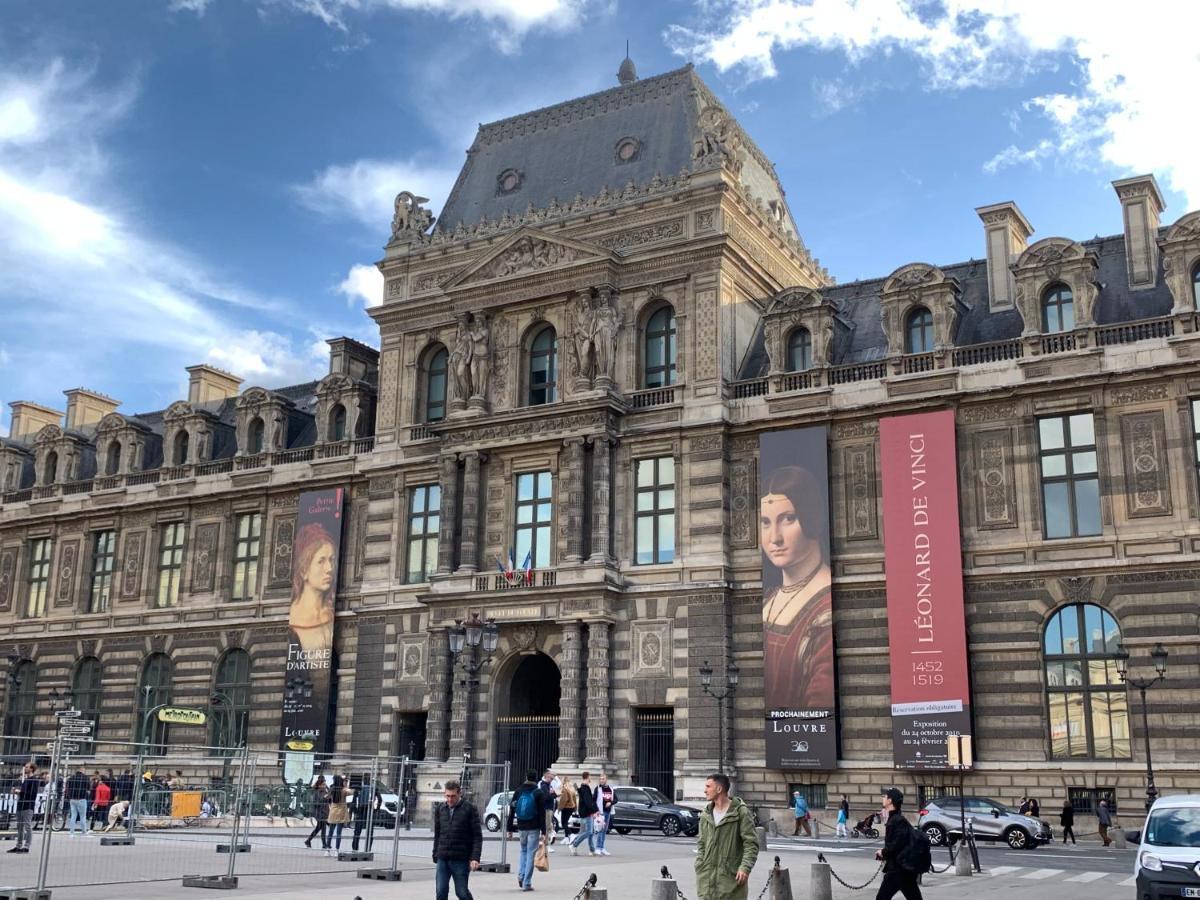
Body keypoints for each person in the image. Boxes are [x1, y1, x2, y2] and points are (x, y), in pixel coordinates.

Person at [760, 467, 834, 712]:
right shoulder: (769, 600)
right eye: (766, 522)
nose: (775, 538)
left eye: (788, 518)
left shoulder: (824, 609)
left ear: (811, 516)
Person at [695, 774, 758, 900]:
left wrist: (745, 867)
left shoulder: (741, 812)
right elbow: (701, 843)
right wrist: (700, 864)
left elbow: (751, 844)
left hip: (731, 881)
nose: (704, 790)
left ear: (719, 789)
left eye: (708, 786)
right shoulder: (705, 814)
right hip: (706, 881)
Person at [432, 779, 483, 900]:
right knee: (440, 892)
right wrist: (435, 853)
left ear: (459, 793)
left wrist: (475, 857)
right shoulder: (440, 809)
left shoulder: (469, 809)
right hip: (443, 857)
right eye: (447, 796)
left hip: (461, 858)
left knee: (462, 893)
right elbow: (438, 834)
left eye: (453, 796)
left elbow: (477, 835)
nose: (450, 799)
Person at [874, 788, 923, 900]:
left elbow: (896, 844)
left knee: (881, 898)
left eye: (885, 797)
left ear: (890, 801)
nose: (883, 798)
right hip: (901, 869)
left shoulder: (897, 820)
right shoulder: (895, 818)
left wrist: (882, 852)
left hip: (898, 869)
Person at [507, 769, 548, 892]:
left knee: (523, 851)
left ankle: (521, 875)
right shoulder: (538, 793)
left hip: (521, 826)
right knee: (531, 853)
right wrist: (544, 831)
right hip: (534, 827)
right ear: (536, 778)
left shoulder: (518, 791)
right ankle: (527, 883)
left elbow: (512, 810)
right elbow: (542, 813)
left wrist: (510, 828)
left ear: (526, 777)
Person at [9, 763, 38, 853]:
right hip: (20, 805)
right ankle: (18, 845)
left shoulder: (34, 780)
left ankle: (26, 846)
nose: (25, 768)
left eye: (27, 767)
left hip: (28, 806)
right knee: (19, 827)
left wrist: (19, 792)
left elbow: (32, 794)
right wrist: (17, 791)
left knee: (27, 826)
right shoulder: (25, 780)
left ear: (32, 769)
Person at [570, 772, 599, 856]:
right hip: (587, 812)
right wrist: (594, 811)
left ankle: (592, 849)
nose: (591, 778)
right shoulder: (585, 788)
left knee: (589, 832)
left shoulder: (583, 788)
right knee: (588, 832)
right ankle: (574, 844)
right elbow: (588, 802)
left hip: (584, 812)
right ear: (587, 777)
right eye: (590, 777)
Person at [351, 775, 381, 852]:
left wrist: (355, 810)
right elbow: (380, 799)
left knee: (357, 831)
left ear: (363, 780)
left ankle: (355, 848)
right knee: (370, 832)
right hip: (369, 810)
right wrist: (376, 809)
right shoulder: (373, 788)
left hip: (360, 810)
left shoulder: (359, 788)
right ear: (370, 780)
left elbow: (354, 801)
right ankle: (368, 849)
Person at [304, 775, 331, 851]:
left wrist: (329, 797)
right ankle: (324, 844)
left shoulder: (326, 791)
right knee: (323, 828)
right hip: (319, 813)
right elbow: (315, 803)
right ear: (319, 785)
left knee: (318, 828)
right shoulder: (316, 793)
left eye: (325, 784)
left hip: (325, 812)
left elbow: (329, 801)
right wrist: (324, 799)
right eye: (323, 784)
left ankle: (308, 841)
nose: (324, 786)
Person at [327, 774, 350, 855]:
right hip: (341, 812)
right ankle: (337, 850)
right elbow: (351, 791)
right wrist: (346, 785)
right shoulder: (343, 790)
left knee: (330, 831)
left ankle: (328, 849)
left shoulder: (332, 789)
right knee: (339, 832)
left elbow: (326, 797)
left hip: (333, 811)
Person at [65, 765, 91, 836]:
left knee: (73, 816)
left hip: (72, 799)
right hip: (81, 799)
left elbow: (67, 788)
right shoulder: (86, 778)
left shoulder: (71, 778)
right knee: (83, 816)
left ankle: (71, 832)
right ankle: (84, 831)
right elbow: (88, 789)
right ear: (82, 770)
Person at [594, 773, 614, 856]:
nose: (601, 780)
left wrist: (610, 802)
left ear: (606, 780)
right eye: (600, 779)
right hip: (600, 812)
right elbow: (593, 800)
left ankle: (602, 847)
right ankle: (598, 848)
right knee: (600, 830)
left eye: (603, 779)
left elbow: (616, 799)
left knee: (604, 831)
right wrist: (595, 811)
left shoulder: (610, 789)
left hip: (608, 812)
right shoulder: (598, 789)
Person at [537, 769, 558, 844]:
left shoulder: (548, 785)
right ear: (546, 776)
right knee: (547, 826)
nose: (552, 779)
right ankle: (545, 844)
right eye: (550, 777)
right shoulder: (544, 786)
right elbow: (546, 797)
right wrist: (553, 794)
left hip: (549, 808)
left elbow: (553, 795)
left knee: (548, 825)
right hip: (547, 808)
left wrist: (553, 793)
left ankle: (546, 843)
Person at [557, 775, 577, 842]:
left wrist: (559, 808)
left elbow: (563, 800)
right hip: (571, 807)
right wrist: (575, 808)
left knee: (563, 823)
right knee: (566, 822)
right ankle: (566, 837)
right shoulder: (572, 788)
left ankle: (571, 834)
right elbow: (575, 799)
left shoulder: (565, 789)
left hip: (566, 807)